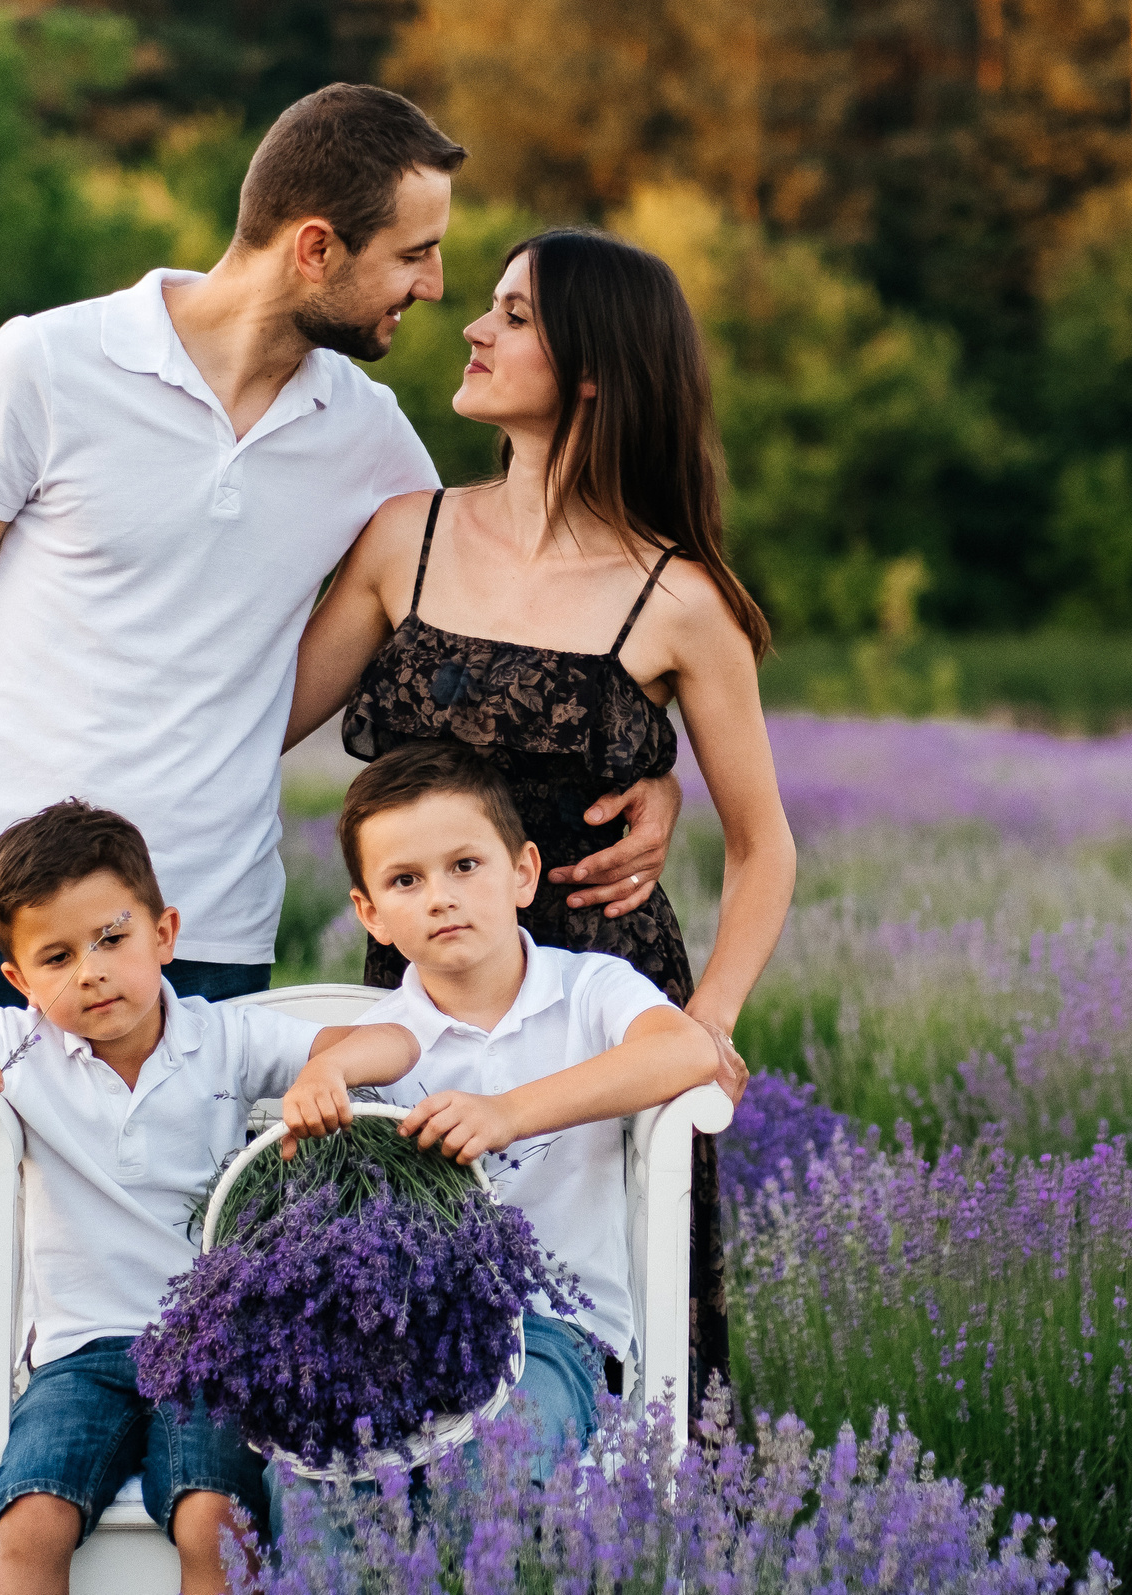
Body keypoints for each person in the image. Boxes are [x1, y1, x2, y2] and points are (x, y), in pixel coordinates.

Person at [0, 84, 681, 1594]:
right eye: (415, 255)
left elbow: (508, 610)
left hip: (211, 962)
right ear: (317, 245)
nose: (436, 290)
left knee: (211, 1372)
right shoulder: (46, 365)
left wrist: (657, 769)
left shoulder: (367, 438)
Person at [290, 228, 796, 1395]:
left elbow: (766, 847)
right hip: (429, 985)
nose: (473, 326)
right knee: (412, 1299)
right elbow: (250, 721)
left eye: (515, 315)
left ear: (595, 371)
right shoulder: (402, 538)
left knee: (614, 1316)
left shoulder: (677, 599)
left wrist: (706, 1031)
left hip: (606, 1004)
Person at [0, 802, 419, 1594]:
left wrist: (325, 1070)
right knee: (33, 1518)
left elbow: (397, 1039)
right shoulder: (17, 1044)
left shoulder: (222, 1038)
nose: (91, 971)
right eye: (58, 956)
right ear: (19, 978)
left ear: (164, 933)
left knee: (216, 1520)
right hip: (79, 1357)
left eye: (112, 938)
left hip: (209, 1347)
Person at [340, 742, 724, 1461]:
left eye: (464, 865)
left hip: (563, 1332)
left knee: (506, 1458)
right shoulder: (380, 1041)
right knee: (319, 1478)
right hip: (420, 1335)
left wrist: (508, 1112)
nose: (440, 896)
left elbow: (688, 1050)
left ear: (523, 871)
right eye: (404, 879)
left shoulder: (588, 989)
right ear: (372, 913)